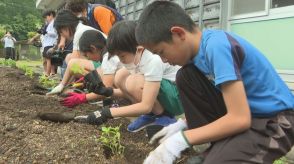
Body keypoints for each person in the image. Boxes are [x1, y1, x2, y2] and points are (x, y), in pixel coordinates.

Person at [134, 1, 294, 164]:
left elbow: (240, 118)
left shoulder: (216, 46)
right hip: (249, 117)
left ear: (179, 34)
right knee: (185, 75)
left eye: (161, 52)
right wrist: (183, 125)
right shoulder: (196, 60)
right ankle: (219, 148)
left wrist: (180, 140)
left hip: (275, 121)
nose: (164, 60)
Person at [74, 20, 184, 132]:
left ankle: (165, 117)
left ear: (139, 49)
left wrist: (108, 113)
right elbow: (133, 92)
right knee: (120, 76)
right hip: (165, 93)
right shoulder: (137, 57)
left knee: (133, 81)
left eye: (122, 56)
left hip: (177, 98)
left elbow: (145, 104)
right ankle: (151, 115)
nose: (121, 60)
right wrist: (107, 92)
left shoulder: (152, 60)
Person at [46, 10, 107, 95]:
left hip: (106, 67)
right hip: (103, 65)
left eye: (61, 32)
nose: (63, 35)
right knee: (69, 58)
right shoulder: (81, 28)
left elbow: (73, 63)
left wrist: (62, 85)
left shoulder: (79, 32)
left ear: (65, 27)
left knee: (71, 60)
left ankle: (92, 86)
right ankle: (75, 86)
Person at [59, 30, 122, 107]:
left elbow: (106, 90)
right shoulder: (108, 52)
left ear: (93, 48)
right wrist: (84, 80)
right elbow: (100, 71)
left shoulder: (108, 58)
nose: (88, 58)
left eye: (86, 55)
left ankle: (120, 101)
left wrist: (83, 98)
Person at [42, 10, 58, 77]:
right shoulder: (49, 24)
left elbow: (55, 33)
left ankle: (47, 74)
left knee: (48, 59)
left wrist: (46, 32)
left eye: (46, 17)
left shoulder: (54, 23)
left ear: (51, 15)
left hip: (50, 43)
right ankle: (52, 73)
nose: (46, 19)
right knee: (50, 60)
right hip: (48, 43)